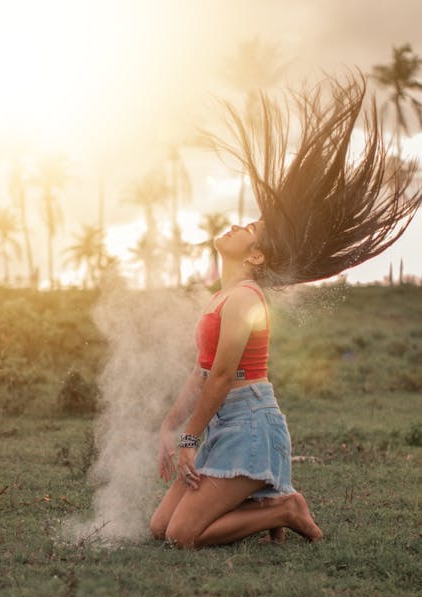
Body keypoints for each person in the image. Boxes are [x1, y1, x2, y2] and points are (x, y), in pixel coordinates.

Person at [149, 74, 420, 549]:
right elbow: (201, 371)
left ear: (255, 257)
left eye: (248, 228)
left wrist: (190, 441)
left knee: (181, 536)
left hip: (248, 424)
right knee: (159, 528)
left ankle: (285, 507)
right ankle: (256, 503)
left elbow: (223, 376)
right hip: (222, 423)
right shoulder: (220, 298)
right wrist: (171, 428)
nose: (236, 224)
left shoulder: (246, 300)